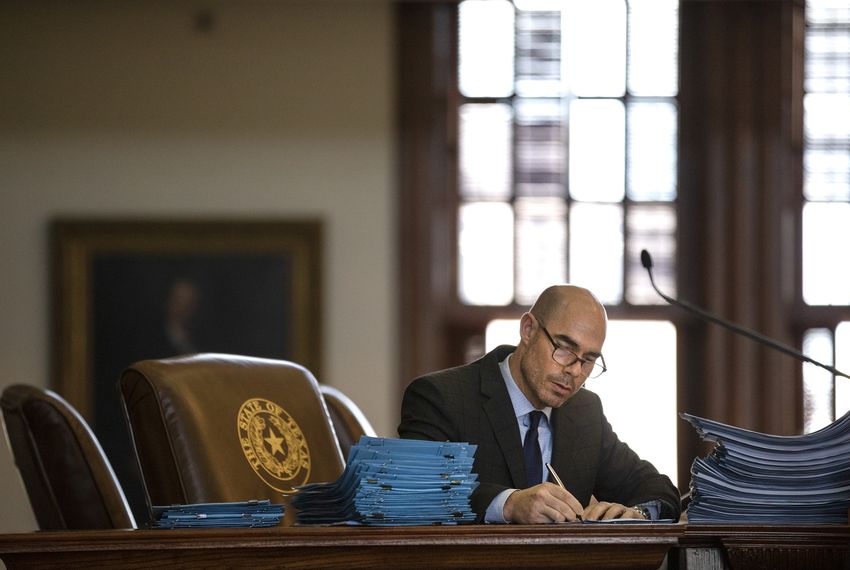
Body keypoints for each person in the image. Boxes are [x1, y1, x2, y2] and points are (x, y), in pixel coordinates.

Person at [398, 284, 681, 524]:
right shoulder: (440, 396)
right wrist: (508, 504)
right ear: (528, 330)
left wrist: (637, 514)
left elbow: (658, 489)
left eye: (589, 359)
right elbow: (415, 491)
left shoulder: (584, 411)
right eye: (565, 349)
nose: (575, 371)